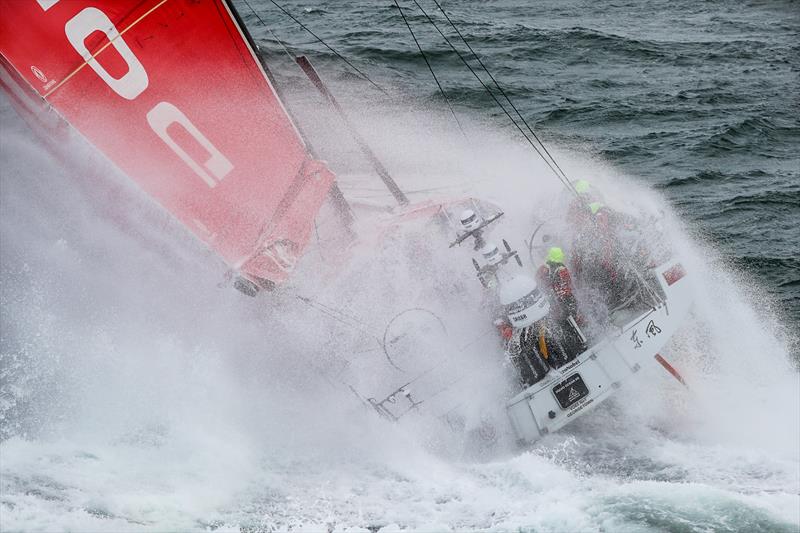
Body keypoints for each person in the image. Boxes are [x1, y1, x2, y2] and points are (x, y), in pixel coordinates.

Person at [537, 247, 588, 358]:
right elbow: (566, 286)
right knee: (574, 321)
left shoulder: (544, 268)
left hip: (553, 304)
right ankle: (582, 344)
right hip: (565, 300)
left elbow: (541, 284)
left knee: (564, 325)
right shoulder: (561, 269)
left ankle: (573, 348)